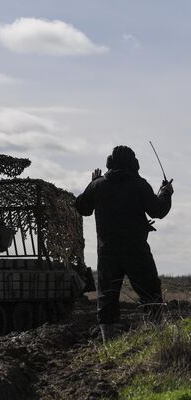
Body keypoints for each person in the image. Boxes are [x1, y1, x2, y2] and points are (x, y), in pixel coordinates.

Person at [75, 145, 173, 343]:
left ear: (110, 162)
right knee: (150, 292)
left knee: (107, 298)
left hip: (107, 252)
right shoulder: (140, 184)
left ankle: (108, 344)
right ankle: (159, 338)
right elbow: (158, 211)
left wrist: (93, 183)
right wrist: (166, 193)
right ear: (133, 163)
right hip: (136, 250)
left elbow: (82, 207)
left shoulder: (98, 185)